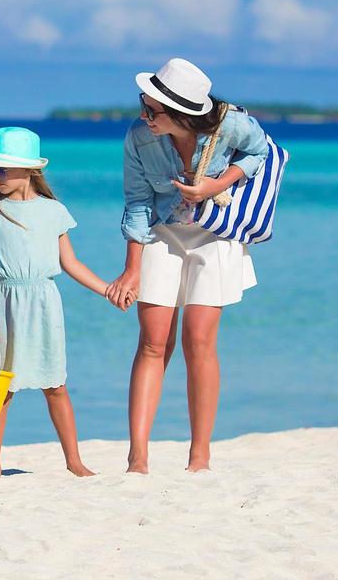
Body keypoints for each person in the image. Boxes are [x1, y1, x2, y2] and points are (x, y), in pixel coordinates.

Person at [105, 58, 269, 474]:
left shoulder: (231, 125)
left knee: (199, 341)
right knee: (153, 341)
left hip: (215, 233)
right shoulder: (139, 137)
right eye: (143, 105)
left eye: (152, 110)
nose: (144, 116)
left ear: (181, 114)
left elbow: (260, 150)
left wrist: (218, 183)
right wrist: (131, 268)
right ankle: (137, 457)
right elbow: (137, 201)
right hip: (163, 231)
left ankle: (200, 456)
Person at [0, 127, 126, 481]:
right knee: (0, 386)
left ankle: (74, 460)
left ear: (28, 171)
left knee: (55, 383)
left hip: (44, 304)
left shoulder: (53, 211)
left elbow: (70, 263)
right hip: (3, 303)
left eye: (1, 170)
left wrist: (107, 290)